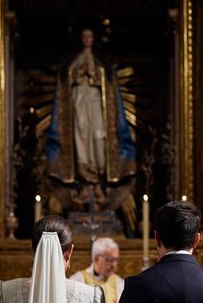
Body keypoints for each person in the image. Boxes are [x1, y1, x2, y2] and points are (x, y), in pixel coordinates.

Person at [45, 27, 137, 228]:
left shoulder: (102, 63)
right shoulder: (71, 63)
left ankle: (97, 183)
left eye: (90, 36)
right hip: (78, 106)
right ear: (80, 38)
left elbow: (110, 89)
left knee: (98, 140)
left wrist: (94, 75)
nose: (87, 39)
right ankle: (85, 184)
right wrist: (78, 75)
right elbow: (65, 87)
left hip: (97, 105)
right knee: (80, 140)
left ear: (94, 38)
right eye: (84, 36)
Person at [70, 237, 125, 303]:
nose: (114, 265)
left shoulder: (120, 283)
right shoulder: (78, 280)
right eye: (110, 260)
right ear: (96, 258)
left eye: (116, 260)